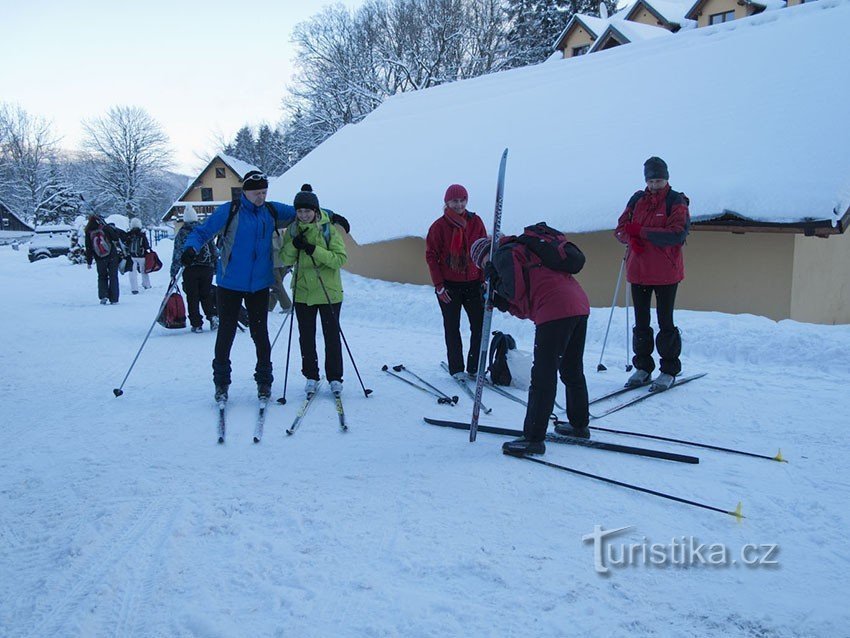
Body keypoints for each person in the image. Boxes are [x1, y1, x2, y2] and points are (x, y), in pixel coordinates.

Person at [180, 172, 349, 401]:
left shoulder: (271, 210)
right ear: (245, 192)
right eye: (256, 192)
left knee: (261, 335)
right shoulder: (230, 211)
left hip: (259, 284)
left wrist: (333, 215)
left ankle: (264, 382)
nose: (261, 197)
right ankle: (221, 382)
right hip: (229, 284)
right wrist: (190, 248)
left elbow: (304, 210)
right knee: (226, 333)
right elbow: (202, 231)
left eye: (264, 192)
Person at [470, 233, 590, 456]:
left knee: (543, 375)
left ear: (487, 253)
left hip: (555, 308)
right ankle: (579, 424)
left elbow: (514, 291)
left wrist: (494, 279)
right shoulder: (523, 250)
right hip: (578, 304)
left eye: (482, 262)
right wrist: (501, 302)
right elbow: (524, 298)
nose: (485, 268)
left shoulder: (503, 255)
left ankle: (533, 438)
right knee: (571, 369)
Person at [615, 156, 690, 392]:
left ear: (666, 179)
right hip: (638, 271)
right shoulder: (637, 199)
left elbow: (676, 234)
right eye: (651, 181)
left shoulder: (675, 200)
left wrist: (641, 234)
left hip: (666, 272)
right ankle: (643, 368)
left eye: (659, 180)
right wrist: (631, 238)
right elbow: (620, 229)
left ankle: (668, 370)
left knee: (665, 321)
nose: (655, 185)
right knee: (641, 321)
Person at [280, 185, 348, 397]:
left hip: (329, 292)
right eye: (299, 211)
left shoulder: (329, 229)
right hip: (303, 292)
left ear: (316, 210)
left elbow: (340, 259)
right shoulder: (292, 229)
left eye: (307, 211)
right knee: (306, 337)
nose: (303, 215)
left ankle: (335, 378)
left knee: (331, 336)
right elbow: (284, 258)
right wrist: (294, 245)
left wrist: (313, 250)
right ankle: (311, 376)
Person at [425, 184, 487, 380]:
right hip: (449, 287)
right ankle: (457, 368)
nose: (459, 204)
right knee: (452, 328)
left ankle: (475, 367)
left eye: (462, 200)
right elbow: (431, 256)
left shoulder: (476, 221)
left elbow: (484, 250)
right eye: (455, 201)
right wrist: (439, 285)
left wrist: (484, 279)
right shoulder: (439, 226)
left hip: (474, 284)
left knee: (479, 326)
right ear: (447, 202)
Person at [171, 205, 218, 333]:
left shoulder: (182, 233)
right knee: (206, 294)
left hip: (190, 269)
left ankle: (196, 323)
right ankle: (212, 316)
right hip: (206, 268)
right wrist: (216, 267)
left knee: (192, 297)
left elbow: (177, 253)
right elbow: (214, 250)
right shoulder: (204, 231)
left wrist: (173, 272)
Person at [84, 214, 124, 305]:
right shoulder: (105, 228)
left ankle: (103, 296)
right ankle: (114, 298)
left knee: (102, 276)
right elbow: (115, 237)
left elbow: (88, 247)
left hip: (99, 257)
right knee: (113, 276)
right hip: (112, 255)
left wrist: (89, 261)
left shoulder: (89, 231)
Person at [269, 231, 293, 313]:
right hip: (278, 258)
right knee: (277, 284)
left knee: (276, 285)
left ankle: (287, 306)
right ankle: (269, 305)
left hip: (277, 258)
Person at [126, 218, 152, 294]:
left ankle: (134, 288)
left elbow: (126, 244)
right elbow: (146, 246)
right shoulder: (142, 235)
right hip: (142, 256)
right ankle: (147, 285)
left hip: (132, 256)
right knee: (144, 271)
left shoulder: (129, 234)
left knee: (132, 272)